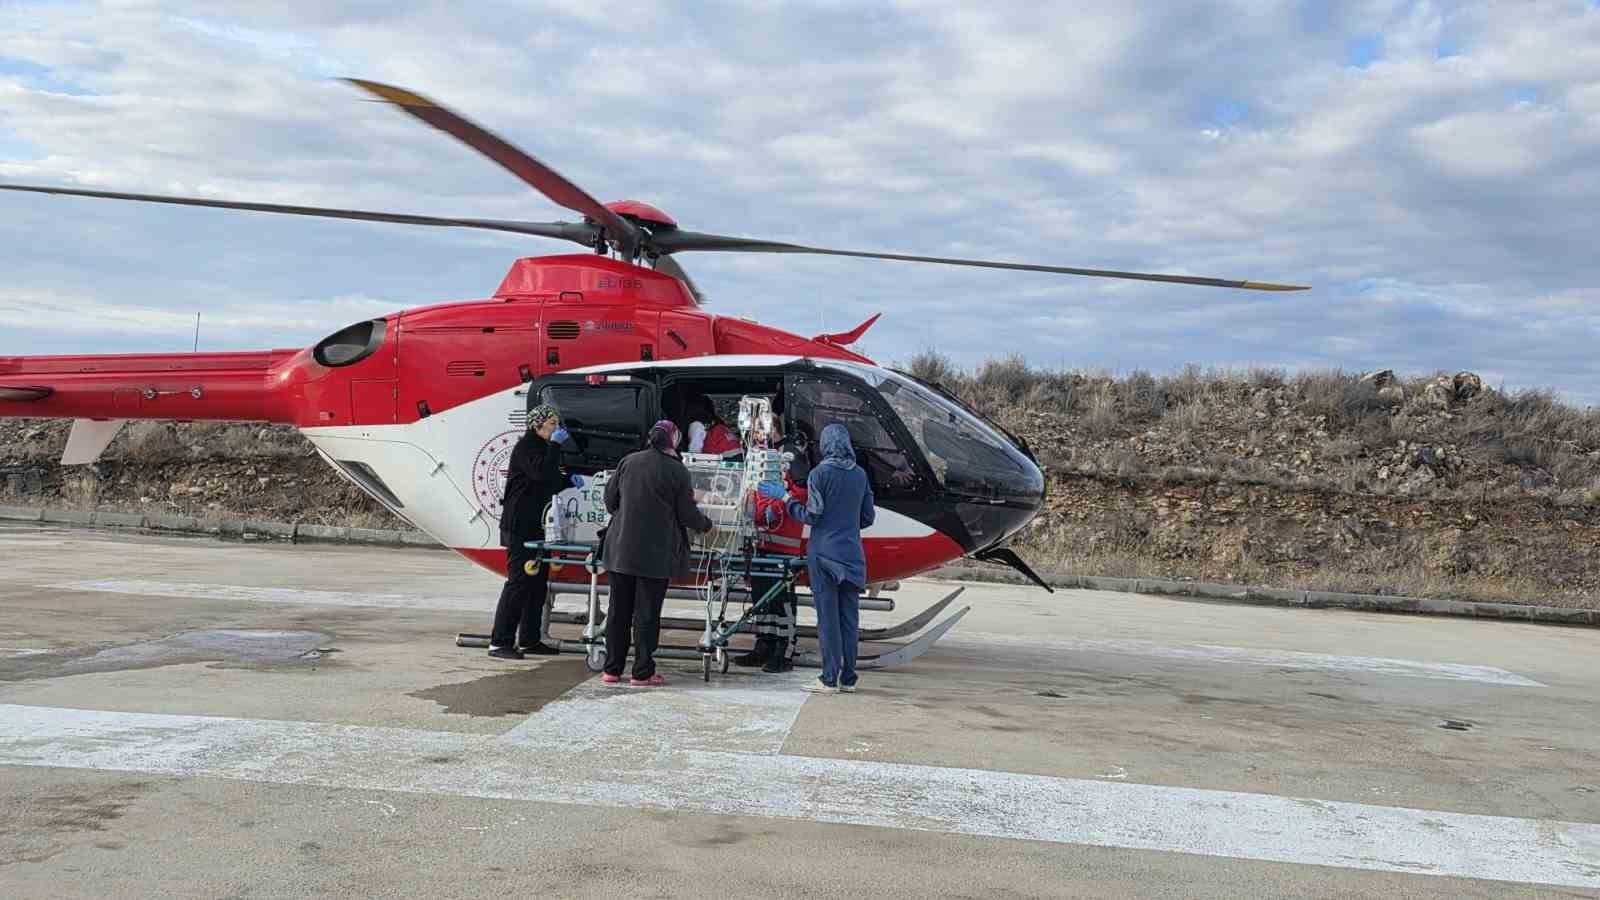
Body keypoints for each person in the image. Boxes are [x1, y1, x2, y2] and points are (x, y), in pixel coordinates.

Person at [760, 422, 874, 694]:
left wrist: (786, 498)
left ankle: (829, 678)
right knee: (850, 620)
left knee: (828, 620)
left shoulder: (819, 474)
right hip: (852, 555)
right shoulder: (860, 475)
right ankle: (849, 679)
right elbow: (867, 517)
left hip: (824, 554)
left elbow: (811, 515)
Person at [600, 420, 714, 687]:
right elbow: (686, 513)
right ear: (673, 440)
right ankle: (642, 672)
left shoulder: (629, 461)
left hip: (620, 548)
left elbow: (610, 500)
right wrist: (706, 525)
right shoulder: (676, 470)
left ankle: (612, 669)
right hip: (654, 552)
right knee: (647, 613)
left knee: (618, 611)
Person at [488, 403, 582, 659]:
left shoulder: (542, 447)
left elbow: (549, 479)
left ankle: (529, 639)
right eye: (552, 424)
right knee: (518, 582)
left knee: (537, 585)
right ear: (537, 426)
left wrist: (568, 480)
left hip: (537, 526)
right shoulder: (527, 447)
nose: (556, 429)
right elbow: (541, 473)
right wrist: (555, 446)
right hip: (520, 526)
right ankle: (500, 641)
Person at [739, 415, 811, 672]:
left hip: (783, 540)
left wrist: (780, 503)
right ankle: (764, 643)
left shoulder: (790, 455)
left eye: (759, 429)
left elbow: (803, 492)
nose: (756, 434)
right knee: (761, 595)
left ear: (773, 429)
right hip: (761, 537)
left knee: (781, 598)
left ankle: (785, 649)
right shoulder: (757, 455)